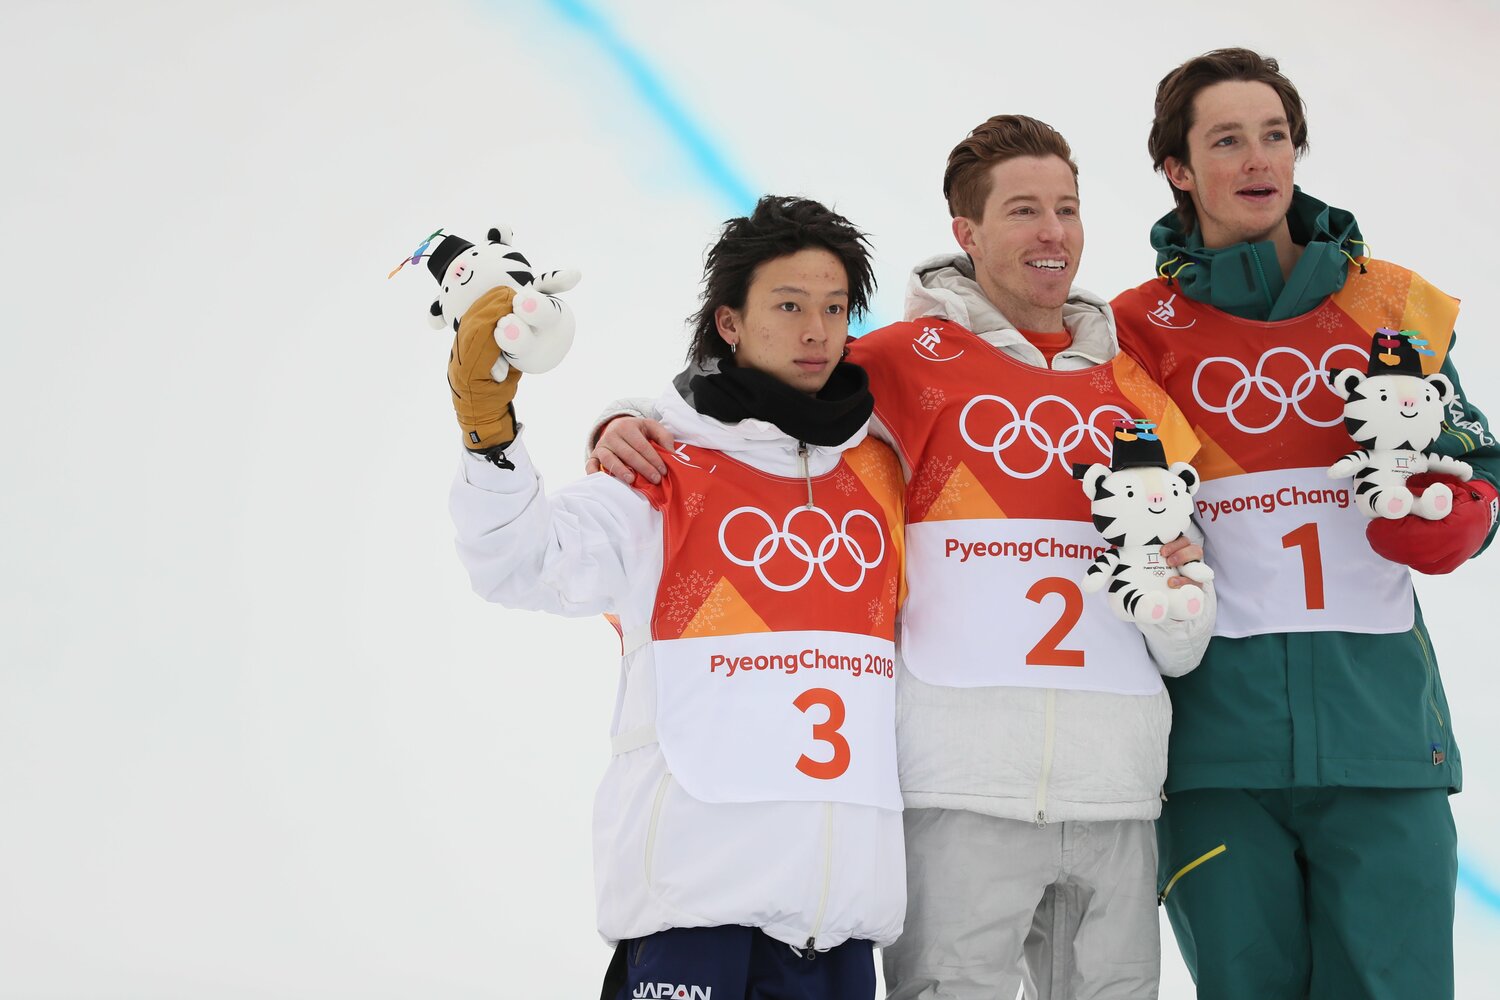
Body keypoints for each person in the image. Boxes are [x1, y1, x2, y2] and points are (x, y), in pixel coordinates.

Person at [589, 117, 1214, 1000]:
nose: (1052, 233)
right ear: (966, 232)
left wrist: (1184, 595)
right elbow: (750, 400)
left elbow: (1186, 600)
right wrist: (618, 418)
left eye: (1067, 209)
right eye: (1024, 209)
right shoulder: (893, 364)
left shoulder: (1137, 387)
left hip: (1115, 791)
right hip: (955, 789)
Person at [446, 196, 908, 1000]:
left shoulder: (881, 473)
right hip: (694, 916)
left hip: (837, 926)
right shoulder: (667, 471)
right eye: (789, 306)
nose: (816, 332)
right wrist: (491, 435)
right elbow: (520, 562)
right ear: (729, 323)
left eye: (834, 309)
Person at [1110, 48, 1500, 1000]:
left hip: (1384, 744)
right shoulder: (1133, 332)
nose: (1258, 160)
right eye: (1227, 140)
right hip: (1214, 758)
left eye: (1275, 137)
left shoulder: (1388, 307)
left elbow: (1475, 470)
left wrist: (1452, 519)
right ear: (1178, 168)